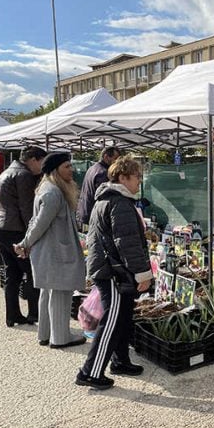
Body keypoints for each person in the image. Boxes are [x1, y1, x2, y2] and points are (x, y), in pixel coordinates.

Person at [76, 155, 152, 390]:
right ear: (123, 177)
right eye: (137, 177)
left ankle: (120, 361)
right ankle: (90, 372)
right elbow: (126, 243)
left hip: (111, 269)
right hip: (113, 272)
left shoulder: (108, 199)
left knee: (122, 318)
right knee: (111, 320)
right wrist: (143, 274)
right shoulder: (119, 203)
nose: (139, 182)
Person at [14, 153, 87, 348]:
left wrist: (25, 242)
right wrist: (25, 243)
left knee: (49, 292)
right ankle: (61, 338)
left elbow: (35, 221)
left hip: (50, 251)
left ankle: (46, 334)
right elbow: (39, 223)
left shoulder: (47, 189)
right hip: (55, 252)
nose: (71, 170)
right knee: (60, 294)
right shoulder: (53, 192)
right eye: (66, 166)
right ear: (55, 170)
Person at [0, 146, 47, 327]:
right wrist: (30, 237)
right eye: (42, 162)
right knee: (31, 271)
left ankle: (12, 315)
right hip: (15, 229)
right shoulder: (24, 176)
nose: (42, 167)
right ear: (33, 159)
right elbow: (26, 208)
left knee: (12, 273)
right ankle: (34, 313)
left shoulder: (6, 172)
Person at [76, 146, 120, 229]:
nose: (116, 162)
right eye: (115, 159)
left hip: (85, 213)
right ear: (106, 157)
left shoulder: (92, 168)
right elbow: (104, 199)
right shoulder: (103, 173)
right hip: (93, 216)